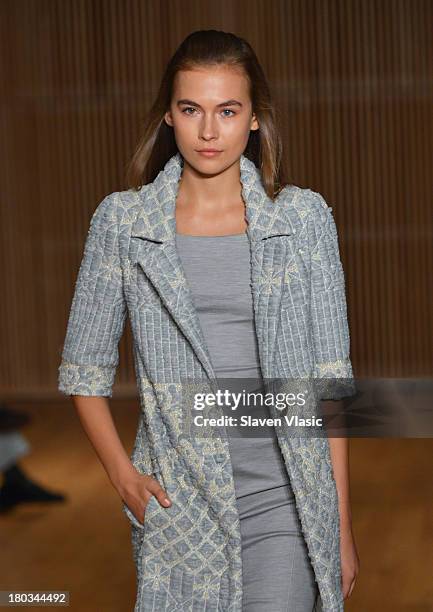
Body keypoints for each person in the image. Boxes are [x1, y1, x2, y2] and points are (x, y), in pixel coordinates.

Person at [58, 30, 359, 611]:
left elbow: (329, 384)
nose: (208, 130)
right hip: (183, 513)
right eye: (191, 109)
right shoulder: (124, 224)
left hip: (289, 501)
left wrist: (338, 523)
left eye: (228, 110)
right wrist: (125, 480)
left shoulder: (302, 219)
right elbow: (84, 370)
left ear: (253, 119)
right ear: (169, 115)